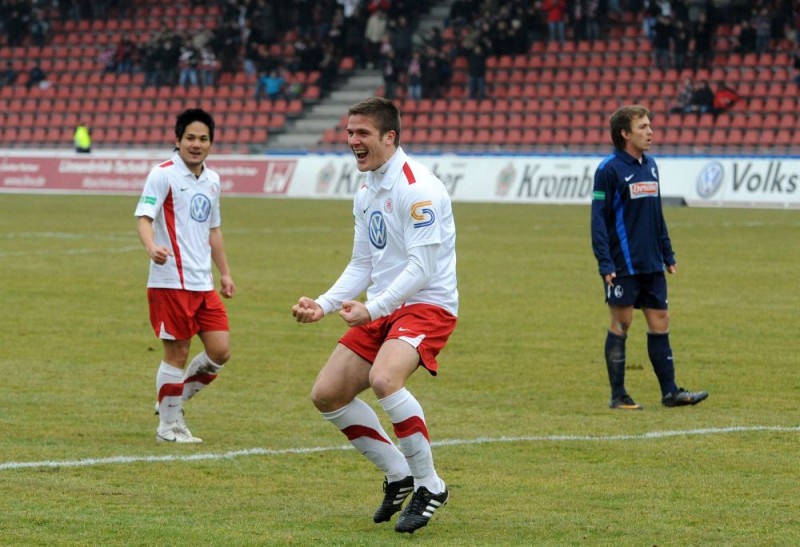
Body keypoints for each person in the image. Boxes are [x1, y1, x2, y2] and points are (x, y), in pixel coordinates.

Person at [291, 97, 457, 534]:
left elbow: (421, 269)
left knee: (386, 379)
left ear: (390, 137)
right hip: (383, 306)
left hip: (427, 303)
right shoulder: (366, 189)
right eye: (349, 133)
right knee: (327, 394)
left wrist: (374, 307)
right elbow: (362, 263)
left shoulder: (418, 187)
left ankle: (430, 484)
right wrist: (324, 304)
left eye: (361, 133)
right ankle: (398, 472)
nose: (352, 141)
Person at [590, 104, 709, 410]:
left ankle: (670, 392)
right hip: (622, 263)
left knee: (660, 320)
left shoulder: (651, 165)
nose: (650, 131)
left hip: (651, 261)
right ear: (624, 133)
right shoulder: (608, 170)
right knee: (623, 322)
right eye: (642, 127)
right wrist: (605, 262)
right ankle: (618, 395)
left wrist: (667, 252)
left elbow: (656, 214)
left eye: (649, 125)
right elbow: (598, 220)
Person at [134, 108, 236, 443]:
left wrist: (225, 273)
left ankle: (170, 400)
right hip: (170, 282)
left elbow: (215, 230)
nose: (196, 144)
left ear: (211, 143)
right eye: (190, 138)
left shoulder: (213, 180)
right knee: (176, 355)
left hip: (202, 283)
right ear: (177, 140)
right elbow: (144, 217)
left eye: (203, 139)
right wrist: (152, 248)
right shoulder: (162, 174)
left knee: (220, 351)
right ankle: (168, 426)